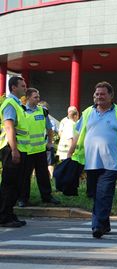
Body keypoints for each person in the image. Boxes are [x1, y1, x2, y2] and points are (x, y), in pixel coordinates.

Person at [68, 81, 117, 239]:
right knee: (96, 194)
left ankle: (97, 226)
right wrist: (70, 153)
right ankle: (105, 223)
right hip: (91, 162)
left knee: (103, 193)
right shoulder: (88, 112)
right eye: (97, 94)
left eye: (102, 94)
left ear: (111, 96)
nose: (99, 97)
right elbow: (77, 134)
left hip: (111, 163)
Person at [19, 88, 60, 207]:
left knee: (43, 176)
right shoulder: (21, 111)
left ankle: (47, 197)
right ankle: (23, 199)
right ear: (27, 98)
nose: (38, 99)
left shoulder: (43, 111)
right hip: (26, 150)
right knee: (25, 177)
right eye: (35, 97)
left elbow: (49, 128)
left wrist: (50, 143)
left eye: (38, 96)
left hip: (40, 150)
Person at [0, 76, 29, 227]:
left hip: (18, 149)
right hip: (11, 149)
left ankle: (9, 214)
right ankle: (4, 217)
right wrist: (14, 150)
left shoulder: (18, 104)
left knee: (16, 185)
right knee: (9, 185)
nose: (25, 88)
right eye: (22, 86)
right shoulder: (10, 104)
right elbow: (9, 127)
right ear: (13, 87)